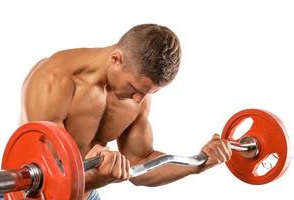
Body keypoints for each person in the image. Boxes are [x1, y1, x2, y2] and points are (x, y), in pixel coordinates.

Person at [19, 24, 232, 200]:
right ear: (116, 59)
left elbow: (140, 163)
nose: (139, 99)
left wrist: (199, 163)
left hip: (87, 195)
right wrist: (99, 178)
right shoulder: (53, 80)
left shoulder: (138, 97)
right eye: (135, 88)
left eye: (149, 93)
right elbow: (49, 176)